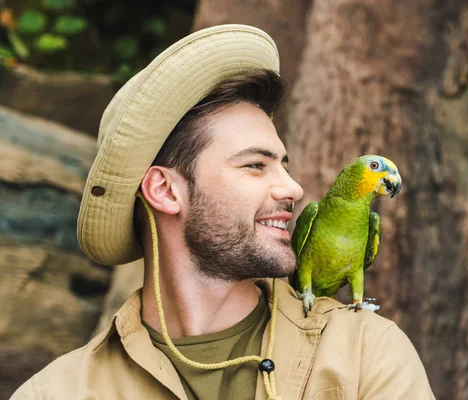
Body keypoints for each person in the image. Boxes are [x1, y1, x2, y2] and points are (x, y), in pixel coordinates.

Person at [11, 24, 435, 400]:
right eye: (255, 164)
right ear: (165, 191)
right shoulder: (57, 392)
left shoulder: (366, 355)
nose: (293, 188)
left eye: (283, 165)